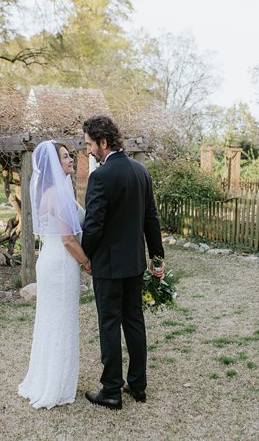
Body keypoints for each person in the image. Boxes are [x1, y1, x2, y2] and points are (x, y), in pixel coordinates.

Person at [81, 115, 165, 410]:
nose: (89, 150)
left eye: (90, 144)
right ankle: (138, 385)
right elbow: (151, 219)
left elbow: (93, 227)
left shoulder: (100, 177)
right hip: (135, 264)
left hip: (107, 266)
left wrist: (84, 256)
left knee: (108, 325)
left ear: (103, 142)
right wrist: (157, 258)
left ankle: (112, 391)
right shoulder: (141, 172)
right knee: (134, 322)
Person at [18, 140, 91, 409]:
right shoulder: (57, 194)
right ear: (53, 164)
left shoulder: (48, 191)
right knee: (61, 320)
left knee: (50, 320)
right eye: (65, 157)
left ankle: (47, 377)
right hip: (61, 263)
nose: (71, 159)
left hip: (49, 260)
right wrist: (87, 263)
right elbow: (69, 239)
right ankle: (56, 386)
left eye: (70, 156)